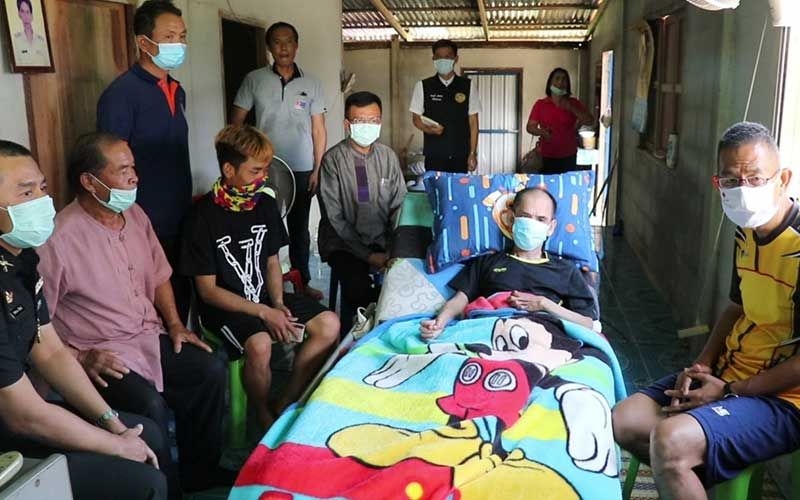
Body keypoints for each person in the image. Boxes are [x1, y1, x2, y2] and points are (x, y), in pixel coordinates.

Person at [613, 122, 800, 499]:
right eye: (730, 181)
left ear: (782, 179)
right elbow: (735, 306)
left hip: (785, 398)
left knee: (670, 440)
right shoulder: (747, 230)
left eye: (755, 178)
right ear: (717, 183)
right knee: (624, 420)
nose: (743, 190)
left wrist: (729, 390)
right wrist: (702, 365)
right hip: (731, 373)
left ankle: (684, 464)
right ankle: (691, 473)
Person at [36, 133, 229, 496]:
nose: (135, 177)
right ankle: (166, 490)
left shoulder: (135, 215)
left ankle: (201, 473)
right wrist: (80, 357)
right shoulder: (58, 238)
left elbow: (159, 275)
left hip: (147, 336)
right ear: (89, 181)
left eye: (133, 167)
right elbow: (37, 322)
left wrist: (175, 324)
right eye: (123, 170)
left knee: (209, 370)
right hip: (98, 353)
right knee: (147, 405)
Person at [0, 139, 166, 500]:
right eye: (26, 192)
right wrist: (117, 445)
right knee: (141, 481)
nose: (42, 201)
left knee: (146, 434)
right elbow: (22, 415)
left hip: (25, 414)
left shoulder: (21, 260)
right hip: (8, 439)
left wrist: (111, 423)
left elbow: (50, 351)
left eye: (42, 188)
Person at [180, 125, 340, 430]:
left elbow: (271, 262)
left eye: (265, 170)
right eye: (255, 171)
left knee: (330, 324)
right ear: (229, 170)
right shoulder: (201, 217)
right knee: (260, 344)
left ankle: (287, 399)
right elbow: (208, 292)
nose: (263, 178)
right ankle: (262, 412)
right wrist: (264, 313)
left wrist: (277, 303)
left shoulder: (264, 204)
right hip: (225, 308)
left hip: (265, 297)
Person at [97, 0, 192, 323]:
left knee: (180, 294)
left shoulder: (176, 89)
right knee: (152, 303)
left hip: (180, 213)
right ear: (144, 42)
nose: (178, 44)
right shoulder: (121, 95)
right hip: (143, 217)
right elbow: (111, 165)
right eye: (169, 36)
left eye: (182, 36)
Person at [420, 187, 597, 340]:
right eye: (525, 216)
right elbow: (459, 301)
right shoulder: (486, 263)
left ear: (551, 227)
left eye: (541, 219)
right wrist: (438, 323)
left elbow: (587, 324)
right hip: (490, 334)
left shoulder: (566, 270)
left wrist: (544, 304)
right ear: (512, 219)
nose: (532, 224)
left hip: (542, 337)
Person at [231, 21, 327, 301]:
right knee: (263, 225)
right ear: (269, 47)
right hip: (264, 170)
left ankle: (302, 283)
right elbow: (236, 123)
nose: (283, 47)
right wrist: (243, 163)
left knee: (299, 229)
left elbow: (319, 129)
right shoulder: (254, 79)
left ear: (296, 46)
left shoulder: (312, 83)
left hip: (301, 168)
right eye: (277, 42)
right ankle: (261, 286)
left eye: (288, 42)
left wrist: (317, 168)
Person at [318, 91, 407, 331]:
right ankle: (359, 338)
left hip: (383, 240)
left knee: (407, 280)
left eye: (373, 120)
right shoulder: (333, 160)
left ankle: (388, 330)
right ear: (347, 125)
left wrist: (394, 247)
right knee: (358, 289)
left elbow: (399, 205)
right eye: (360, 121)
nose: (368, 126)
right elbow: (334, 218)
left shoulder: (388, 157)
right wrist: (368, 256)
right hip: (344, 245)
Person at [410, 39, 481, 174]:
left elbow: (473, 122)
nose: (443, 60)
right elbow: (416, 119)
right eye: (439, 57)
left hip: (460, 155)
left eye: (447, 57)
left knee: (458, 187)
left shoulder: (468, 86)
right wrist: (429, 130)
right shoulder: (423, 86)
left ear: (455, 59)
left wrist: (472, 153)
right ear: (433, 59)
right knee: (435, 187)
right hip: (434, 155)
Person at [525, 68, 594, 174]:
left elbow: (590, 121)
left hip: (569, 155)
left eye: (564, 79)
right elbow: (530, 127)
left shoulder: (574, 103)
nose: (560, 82)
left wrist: (571, 108)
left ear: (568, 84)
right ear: (550, 83)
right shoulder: (540, 104)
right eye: (557, 78)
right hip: (547, 156)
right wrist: (542, 132)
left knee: (567, 183)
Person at [12, 0, 49, 67]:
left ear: (31, 15)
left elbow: (47, 64)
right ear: (19, 14)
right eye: (22, 11)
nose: (25, 15)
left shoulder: (41, 41)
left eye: (27, 12)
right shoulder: (16, 41)